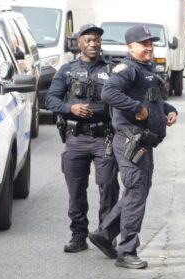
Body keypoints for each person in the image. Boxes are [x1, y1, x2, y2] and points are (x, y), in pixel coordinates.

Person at [87, 25, 178, 269]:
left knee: (137, 191)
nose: (149, 47)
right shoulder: (127, 69)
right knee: (136, 192)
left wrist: (169, 110)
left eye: (151, 43)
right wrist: (136, 109)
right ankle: (127, 251)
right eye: (144, 44)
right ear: (130, 47)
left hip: (145, 142)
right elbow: (109, 92)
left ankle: (105, 234)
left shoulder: (145, 70)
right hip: (131, 140)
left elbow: (154, 100)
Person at [45, 24, 119, 253]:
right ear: (79, 43)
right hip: (75, 137)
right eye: (88, 40)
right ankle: (78, 236)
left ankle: (106, 234)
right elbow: (50, 100)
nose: (93, 44)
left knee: (108, 187)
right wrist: (71, 108)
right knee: (76, 190)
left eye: (96, 40)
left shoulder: (113, 70)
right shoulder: (67, 70)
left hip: (104, 137)